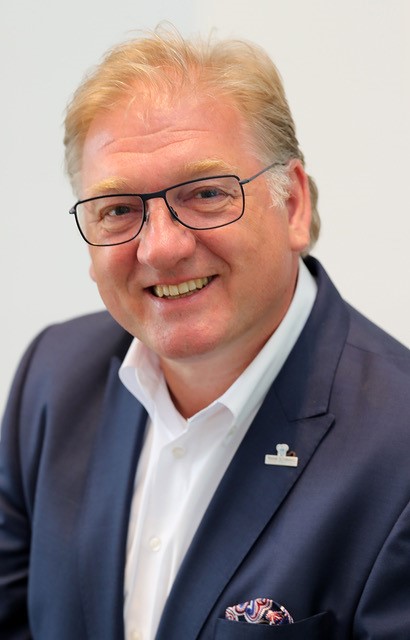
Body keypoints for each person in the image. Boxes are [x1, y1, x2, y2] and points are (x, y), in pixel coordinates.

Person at [1, 27, 409, 640]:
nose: (161, 248)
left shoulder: (398, 451)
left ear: (293, 204)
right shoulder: (53, 380)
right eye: (118, 209)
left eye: (207, 194)